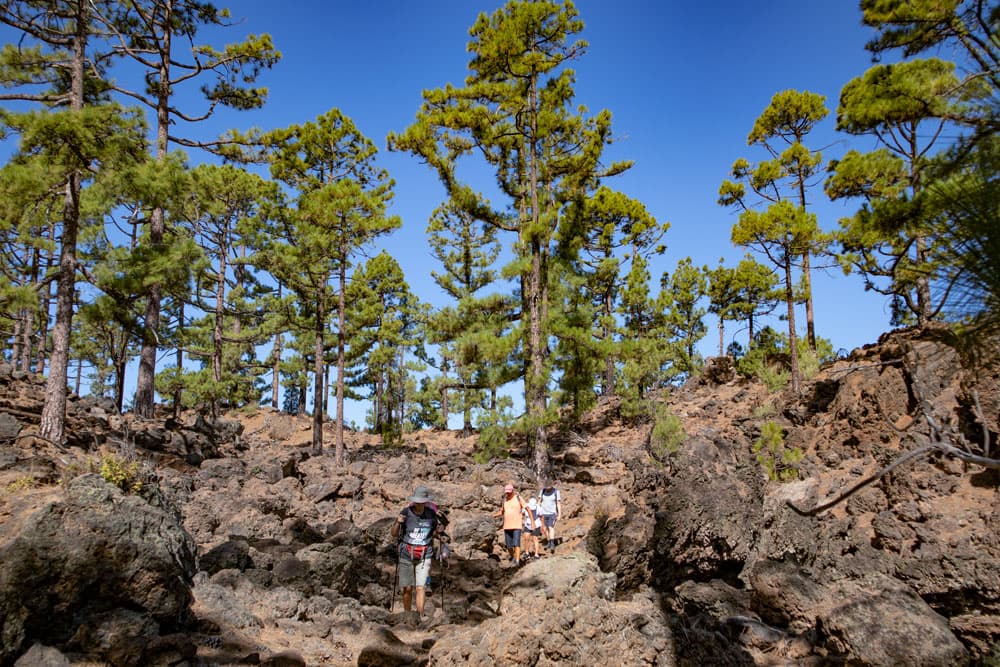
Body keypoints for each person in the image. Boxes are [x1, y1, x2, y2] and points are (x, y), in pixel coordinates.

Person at [391, 485, 441, 614]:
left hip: (425, 554)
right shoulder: (406, 512)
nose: (419, 504)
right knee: (407, 588)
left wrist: (439, 532)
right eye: (417, 501)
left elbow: (434, 532)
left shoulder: (431, 514)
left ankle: (419, 616)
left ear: (426, 502)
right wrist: (398, 522)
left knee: (421, 587)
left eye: (422, 502)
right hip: (406, 553)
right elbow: (394, 534)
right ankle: (408, 614)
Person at [493, 483, 527, 566]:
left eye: (509, 492)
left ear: (512, 491)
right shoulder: (505, 500)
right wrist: (493, 515)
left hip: (517, 525)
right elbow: (502, 511)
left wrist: (532, 522)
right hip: (507, 526)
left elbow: (527, 508)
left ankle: (517, 562)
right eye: (506, 492)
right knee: (509, 546)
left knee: (516, 544)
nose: (507, 493)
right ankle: (514, 557)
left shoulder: (518, 498)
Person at [538, 479, 561, 551]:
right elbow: (539, 501)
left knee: (551, 527)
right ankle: (548, 542)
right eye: (546, 487)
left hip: (552, 513)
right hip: (543, 513)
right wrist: (537, 511)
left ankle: (552, 543)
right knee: (545, 528)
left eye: (549, 487)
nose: (547, 488)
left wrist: (559, 514)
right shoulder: (542, 491)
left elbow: (558, 503)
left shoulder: (556, 492)